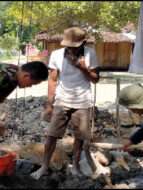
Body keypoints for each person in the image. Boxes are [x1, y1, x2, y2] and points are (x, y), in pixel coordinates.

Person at [31, 27, 99, 180]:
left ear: (82, 43)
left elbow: (95, 79)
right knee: (52, 135)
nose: (70, 49)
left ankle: (75, 166)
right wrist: (49, 105)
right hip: (61, 100)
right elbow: (53, 80)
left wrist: (83, 69)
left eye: (74, 46)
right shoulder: (56, 55)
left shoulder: (90, 54)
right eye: (68, 46)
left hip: (83, 101)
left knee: (79, 136)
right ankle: (44, 167)